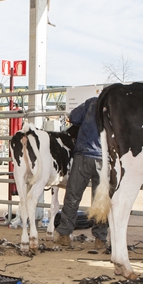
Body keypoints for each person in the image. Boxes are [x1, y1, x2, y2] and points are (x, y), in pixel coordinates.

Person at [54, 97, 109, 247]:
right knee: (101, 199)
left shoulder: (91, 102)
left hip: (84, 155)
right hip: (105, 158)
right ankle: (100, 239)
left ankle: (65, 234)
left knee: (73, 195)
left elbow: (73, 117)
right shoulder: (115, 106)